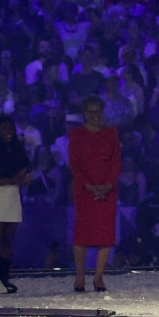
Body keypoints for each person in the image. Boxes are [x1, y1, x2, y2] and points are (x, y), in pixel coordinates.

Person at [69, 95, 121, 293]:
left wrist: (107, 185)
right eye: (91, 112)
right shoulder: (77, 134)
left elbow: (116, 161)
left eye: (98, 111)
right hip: (85, 190)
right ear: (84, 113)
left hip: (107, 190)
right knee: (82, 233)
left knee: (106, 234)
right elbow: (75, 164)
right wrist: (90, 187)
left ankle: (99, 277)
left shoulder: (111, 133)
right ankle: (80, 275)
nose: (95, 115)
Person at [0, 115, 30, 294]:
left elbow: (25, 171)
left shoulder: (18, 149)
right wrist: (11, 179)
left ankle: (4, 278)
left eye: (11, 128)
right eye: (4, 128)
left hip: (13, 195)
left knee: (8, 240)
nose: (8, 132)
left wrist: (24, 179)